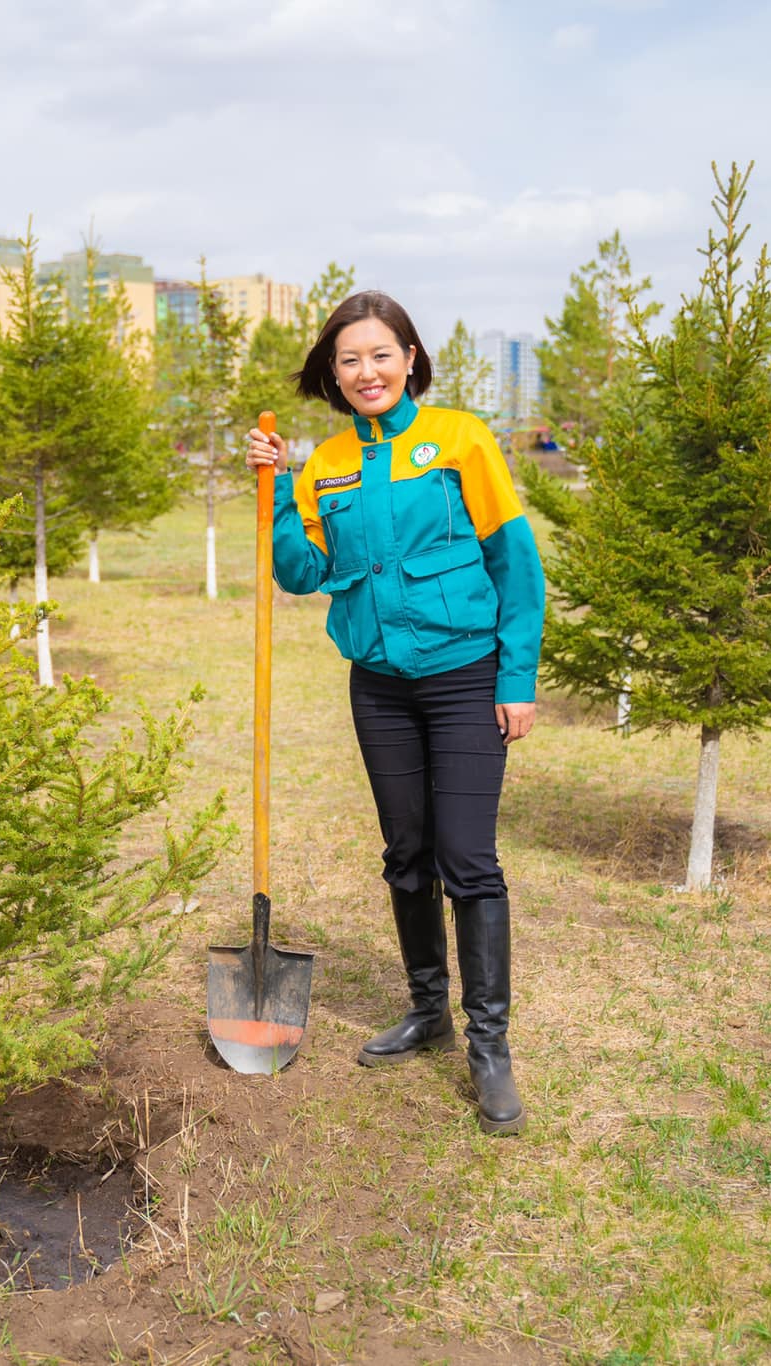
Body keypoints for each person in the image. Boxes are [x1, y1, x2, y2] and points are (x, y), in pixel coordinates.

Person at [246, 290, 546, 1136]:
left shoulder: (458, 440)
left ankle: (490, 1048)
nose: (366, 371)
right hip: (378, 684)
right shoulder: (326, 465)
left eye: (381, 354)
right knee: (407, 852)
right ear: (332, 376)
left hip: (464, 673)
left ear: (410, 357)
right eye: (349, 360)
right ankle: (429, 1012)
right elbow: (302, 574)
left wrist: (515, 676)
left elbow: (513, 561)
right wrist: (273, 492)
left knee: (467, 858)